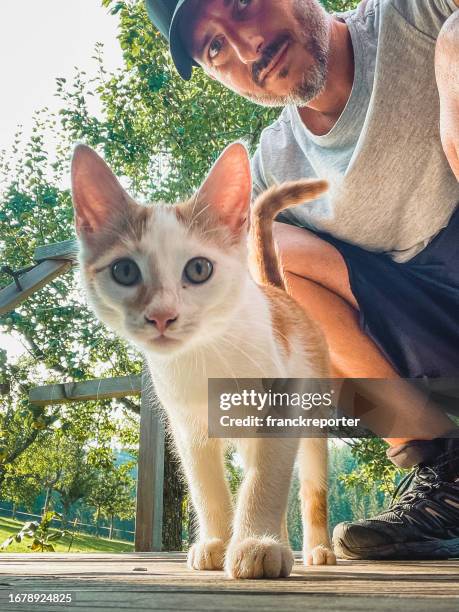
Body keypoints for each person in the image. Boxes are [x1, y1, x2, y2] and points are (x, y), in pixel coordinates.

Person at [145, 0, 459, 560]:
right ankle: (440, 466)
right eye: (214, 48)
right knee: (257, 256)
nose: (247, 50)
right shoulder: (273, 164)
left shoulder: (412, 14)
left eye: (241, 4)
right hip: (416, 339)